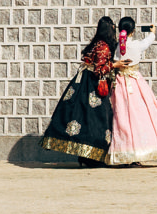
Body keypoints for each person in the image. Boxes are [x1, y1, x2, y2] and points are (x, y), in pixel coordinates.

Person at [41, 17, 118, 166]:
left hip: (83, 83)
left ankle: (85, 156)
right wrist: (115, 65)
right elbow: (99, 70)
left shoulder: (96, 43)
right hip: (93, 86)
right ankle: (92, 157)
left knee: (83, 117)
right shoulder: (104, 47)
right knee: (97, 119)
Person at [105, 16, 157, 166]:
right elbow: (148, 41)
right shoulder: (136, 45)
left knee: (122, 118)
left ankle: (123, 153)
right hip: (135, 83)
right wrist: (152, 32)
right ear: (133, 31)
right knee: (139, 117)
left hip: (120, 82)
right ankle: (137, 154)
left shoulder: (117, 47)